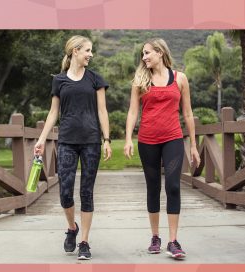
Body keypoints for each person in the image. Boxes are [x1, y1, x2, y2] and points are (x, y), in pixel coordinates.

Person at [34, 35, 112, 260]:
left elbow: (102, 111)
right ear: (75, 51)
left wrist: (107, 139)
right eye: (87, 50)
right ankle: (72, 228)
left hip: (91, 142)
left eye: (91, 50)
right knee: (65, 192)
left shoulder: (95, 79)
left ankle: (85, 242)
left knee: (86, 192)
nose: (91, 54)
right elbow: (53, 112)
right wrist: (41, 139)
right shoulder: (59, 80)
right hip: (67, 141)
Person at [124, 38, 200, 259]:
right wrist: (128, 138)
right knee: (153, 187)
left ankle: (173, 241)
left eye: (147, 53)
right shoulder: (140, 80)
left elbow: (187, 114)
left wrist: (194, 146)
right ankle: (155, 237)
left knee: (174, 187)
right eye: (142, 54)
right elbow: (132, 112)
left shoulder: (180, 79)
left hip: (173, 139)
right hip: (147, 141)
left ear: (159, 52)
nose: (144, 57)